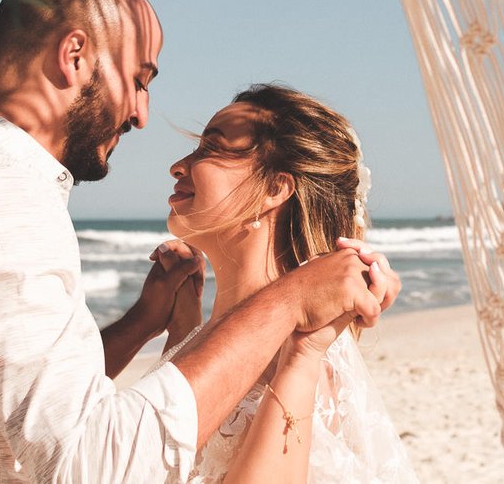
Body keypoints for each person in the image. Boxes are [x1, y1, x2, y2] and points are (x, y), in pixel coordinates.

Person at [0, 0, 399, 482]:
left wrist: (145, 325)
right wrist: (290, 301)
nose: (141, 114)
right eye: (139, 80)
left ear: (278, 188)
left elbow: (12, 401)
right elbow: (91, 463)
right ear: (74, 55)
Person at [157, 84, 417, 483]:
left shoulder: (302, 358)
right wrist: (179, 325)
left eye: (212, 148)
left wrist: (303, 355)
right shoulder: (209, 335)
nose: (178, 165)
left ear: (275, 188)